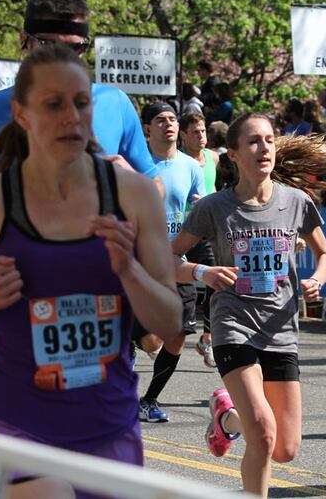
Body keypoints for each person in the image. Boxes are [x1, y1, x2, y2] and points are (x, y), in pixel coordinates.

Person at [0, 45, 182, 499]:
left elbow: (169, 322)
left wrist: (129, 271)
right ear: (22, 115)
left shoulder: (135, 196)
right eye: (53, 104)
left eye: (81, 103)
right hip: (19, 419)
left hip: (108, 422)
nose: (71, 117)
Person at [0, 0, 158, 350]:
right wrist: (1, 216)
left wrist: (129, 183)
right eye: (47, 44)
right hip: (24, 302)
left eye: (74, 48)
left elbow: (157, 189)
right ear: (24, 41)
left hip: (105, 296)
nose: (60, 57)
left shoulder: (114, 103)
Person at [171, 113, 326, 497]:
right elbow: (165, 260)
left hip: (280, 329)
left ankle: (227, 417)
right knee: (261, 429)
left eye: (269, 140)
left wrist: (316, 280)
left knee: (285, 448)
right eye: (253, 142)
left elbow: (325, 254)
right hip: (234, 326)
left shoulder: (297, 202)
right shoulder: (214, 207)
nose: (264, 148)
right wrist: (202, 273)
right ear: (233, 154)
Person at [133, 103, 205, 423]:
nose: (168, 125)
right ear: (147, 128)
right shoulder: (134, 163)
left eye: (173, 119)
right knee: (146, 338)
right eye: (160, 120)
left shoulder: (191, 166)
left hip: (177, 259)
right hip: (138, 261)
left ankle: (149, 400)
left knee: (176, 335)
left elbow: (199, 206)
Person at [179, 112, 219, 368]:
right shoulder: (177, 161)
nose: (201, 136)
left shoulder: (213, 158)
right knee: (178, 287)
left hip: (205, 232)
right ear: (183, 135)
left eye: (203, 130)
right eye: (195, 132)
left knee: (217, 280)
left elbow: (215, 191)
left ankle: (208, 337)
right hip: (179, 234)